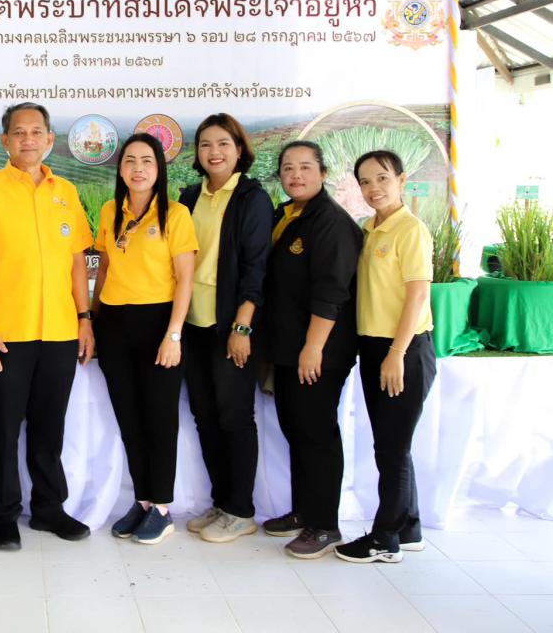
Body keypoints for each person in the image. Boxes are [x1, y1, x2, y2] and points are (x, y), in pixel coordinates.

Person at [0, 102, 95, 551]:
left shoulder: (66, 192)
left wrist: (84, 319)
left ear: (50, 139)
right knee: (4, 429)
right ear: (5, 140)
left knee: (49, 429)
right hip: (6, 334)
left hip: (59, 331)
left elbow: (77, 263)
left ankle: (50, 509)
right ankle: (3, 516)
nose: (28, 139)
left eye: (36, 132)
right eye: (19, 132)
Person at [92, 133, 198, 545]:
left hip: (159, 324)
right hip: (114, 324)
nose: (138, 169)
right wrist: (92, 319)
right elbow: (103, 269)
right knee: (130, 418)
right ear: (120, 169)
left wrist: (174, 334)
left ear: (159, 169)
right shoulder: (109, 211)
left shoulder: (175, 215)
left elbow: (185, 279)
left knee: (160, 418)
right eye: (131, 161)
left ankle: (163, 508)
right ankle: (142, 500)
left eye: (147, 161)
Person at [260, 142, 362, 559]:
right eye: (288, 168)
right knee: (296, 429)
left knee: (316, 433)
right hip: (289, 347)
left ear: (323, 173)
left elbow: (331, 293)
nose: (296, 175)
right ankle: (304, 511)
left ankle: (324, 525)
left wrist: (313, 348)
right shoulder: (290, 215)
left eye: (305, 167)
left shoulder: (330, 222)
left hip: (319, 351)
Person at [335, 150, 435, 564]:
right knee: (390, 445)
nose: (373, 188)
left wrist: (396, 353)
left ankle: (384, 539)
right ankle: (408, 528)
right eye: (365, 181)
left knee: (392, 449)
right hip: (374, 346)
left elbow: (418, 295)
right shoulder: (369, 229)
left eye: (382, 178)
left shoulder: (411, 230)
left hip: (403, 348)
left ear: (402, 180)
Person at [177, 113, 273, 544]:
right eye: (205, 145)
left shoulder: (253, 198)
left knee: (234, 416)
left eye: (223, 144)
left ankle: (241, 510)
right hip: (192, 324)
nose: (214, 152)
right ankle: (222, 502)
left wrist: (243, 327)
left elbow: (257, 269)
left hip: (230, 325)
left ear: (239, 149)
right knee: (205, 415)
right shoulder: (189, 196)